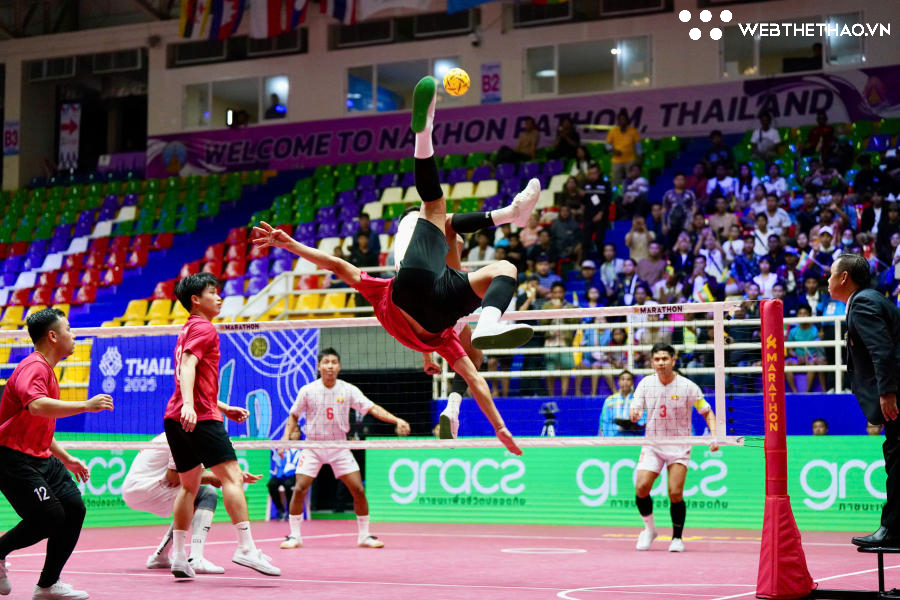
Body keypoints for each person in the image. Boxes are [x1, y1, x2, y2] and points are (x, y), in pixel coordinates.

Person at [252, 76, 534, 455]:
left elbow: (337, 265)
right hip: (434, 305)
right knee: (494, 262)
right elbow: (476, 380)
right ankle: (489, 318)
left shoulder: (402, 308)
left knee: (448, 218)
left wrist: (290, 244)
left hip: (415, 293)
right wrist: (499, 428)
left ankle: (424, 132)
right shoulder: (441, 339)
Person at [163, 273, 280, 578]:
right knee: (232, 478)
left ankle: (179, 557)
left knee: (189, 487)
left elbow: (194, 375)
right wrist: (192, 406)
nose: (219, 297)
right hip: (198, 416)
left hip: (175, 417)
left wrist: (222, 407)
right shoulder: (204, 328)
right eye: (212, 292)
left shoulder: (187, 329)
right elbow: (188, 365)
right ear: (195, 300)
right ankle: (246, 548)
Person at [0, 309, 114, 600]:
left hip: (40, 457)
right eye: (69, 329)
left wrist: (65, 457)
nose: (73, 335)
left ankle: (48, 585)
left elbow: (35, 423)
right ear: (53, 336)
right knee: (49, 517)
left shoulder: (47, 370)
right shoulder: (34, 367)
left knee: (74, 508)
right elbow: (37, 406)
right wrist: (86, 405)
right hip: (11, 457)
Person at [279, 348, 410, 550]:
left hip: (339, 445)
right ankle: (294, 536)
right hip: (313, 445)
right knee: (299, 488)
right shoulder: (308, 390)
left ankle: (364, 536)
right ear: (319, 366)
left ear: (339, 367)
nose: (330, 366)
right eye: (326, 362)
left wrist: (396, 419)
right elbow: (294, 415)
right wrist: (285, 438)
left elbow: (372, 408)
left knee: (358, 489)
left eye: (334, 362)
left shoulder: (348, 390)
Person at [830, 254, 900, 548]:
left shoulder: (863, 303)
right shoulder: (870, 299)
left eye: (831, 275)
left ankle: (893, 530)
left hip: (896, 393)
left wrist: (887, 393)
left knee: (897, 459)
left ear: (844, 277)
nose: (828, 281)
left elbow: (881, 349)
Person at [122, 433, 262, 574]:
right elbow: (174, 477)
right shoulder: (185, 436)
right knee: (207, 495)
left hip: (138, 488)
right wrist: (217, 477)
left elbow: (193, 473)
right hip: (146, 488)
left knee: (189, 500)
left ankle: (160, 556)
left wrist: (231, 476)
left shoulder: (190, 433)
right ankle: (196, 558)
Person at [629, 343, 719, 553]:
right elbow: (635, 410)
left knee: (675, 492)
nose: (661, 363)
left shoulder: (687, 386)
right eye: (657, 359)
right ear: (652, 362)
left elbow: (707, 412)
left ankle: (677, 538)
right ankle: (649, 530)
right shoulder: (645, 384)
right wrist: (634, 415)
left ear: (673, 360)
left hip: (679, 445)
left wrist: (714, 436)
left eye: (665, 359)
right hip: (653, 444)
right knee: (641, 487)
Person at [785, 304, 827, 393]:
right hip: (797, 358)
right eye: (800, 313)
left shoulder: (815, 330)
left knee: (813, 364)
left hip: (811, 358)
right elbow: (790, 350)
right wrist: (796, 356)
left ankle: (807, 392)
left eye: (805, 313)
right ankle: (794, 392)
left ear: (809, 315)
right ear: (797, 316)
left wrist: (809, 357)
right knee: (786, 365)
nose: (802, 316)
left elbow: (818, 349)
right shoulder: (793, 331)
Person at [268, 429, 301, 520]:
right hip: (281, 474)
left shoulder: (302, 449)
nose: (295, 434)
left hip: (294, 475)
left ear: (300, 434)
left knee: (288, 485)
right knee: (271, 484)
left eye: (297, 432)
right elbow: (277, 460)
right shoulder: (283, 448)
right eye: (293, 431)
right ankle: (280, 509)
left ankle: (290, 511)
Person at [599, 371, 644, 437]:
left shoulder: (638, 401)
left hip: (631, 438)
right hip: (612, 439)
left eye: (628, 379)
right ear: (618, 382)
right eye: (622, 379)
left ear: (632, 382)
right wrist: (602, 438)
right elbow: (603, 422)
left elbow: (643, 423)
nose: (625, 382)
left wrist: (633, 426)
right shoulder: (609, 401)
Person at [605, 110, 641, 185]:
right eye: (620, 120)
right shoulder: (613, 131)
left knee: (631, 180)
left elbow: (638, 146)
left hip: (630, 160)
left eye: (623, 119)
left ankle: (631, 191)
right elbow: (607, 144)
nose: (622, 121)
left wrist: (639, 159)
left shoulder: (633, 131)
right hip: (616, 160)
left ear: (627, 120)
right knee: (615, 180)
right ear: (618, 121)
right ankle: (616, 192)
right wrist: (613, 150)